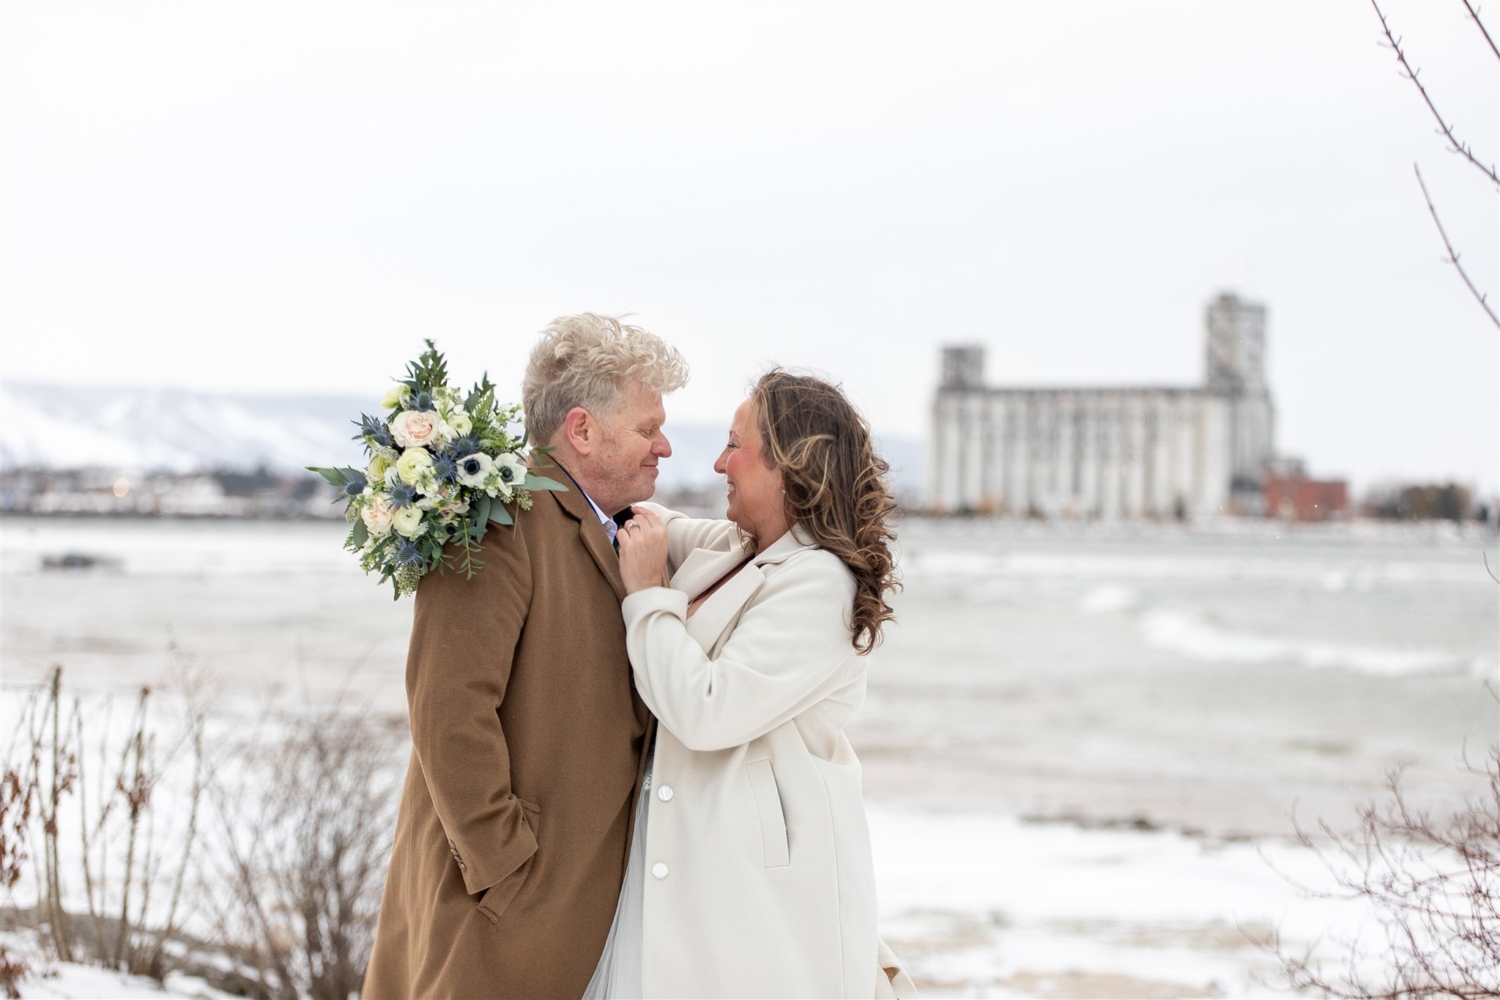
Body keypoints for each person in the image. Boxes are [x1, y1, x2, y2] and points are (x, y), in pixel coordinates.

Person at [362, 314, 688, 999]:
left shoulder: (622, 532)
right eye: (646, 427)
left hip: (575, 914)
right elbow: (447, 706)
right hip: (495, 914)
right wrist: (504, 868)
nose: (664, 445)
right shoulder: (498, 519)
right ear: (582, 429)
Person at [591, 369, 917, 998]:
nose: (717, 463)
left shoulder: (821, 584)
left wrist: (650, 597)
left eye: (735, 446)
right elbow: (646, 519)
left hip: (760, 893)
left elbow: (706, 710)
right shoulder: (736, 549)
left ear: (791, 467)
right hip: (695, 870)